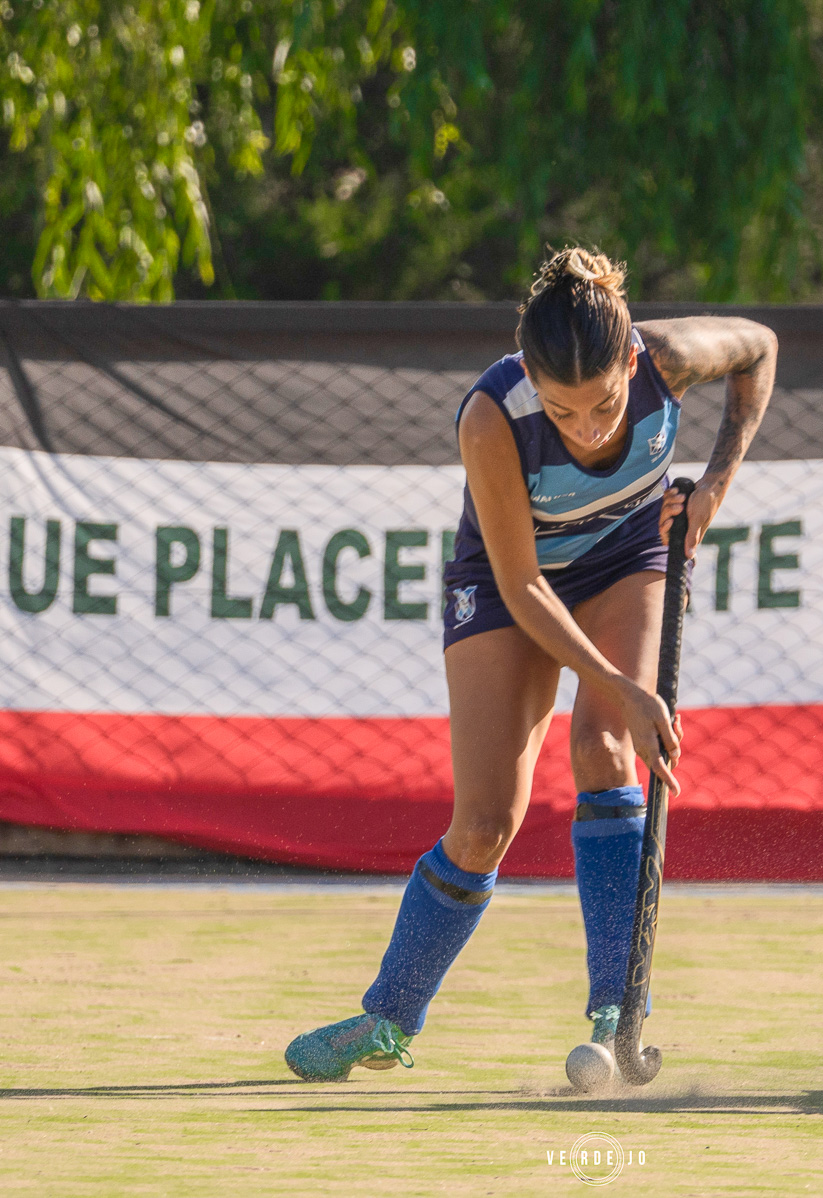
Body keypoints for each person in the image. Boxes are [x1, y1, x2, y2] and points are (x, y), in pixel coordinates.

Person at [283, 248, 778, 1082]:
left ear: (631, 363)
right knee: (483, 824)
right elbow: (522, 585)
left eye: (605, 407)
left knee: (606, 749)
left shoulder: (667, 357)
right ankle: (390, 1017)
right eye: (564, 411)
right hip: (515, 580)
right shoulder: (491, 416)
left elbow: (760, 346)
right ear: (530, 380)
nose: (586, 430)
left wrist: (716, 487)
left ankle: (618, 1007)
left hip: (629, 557)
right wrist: (623, 685)